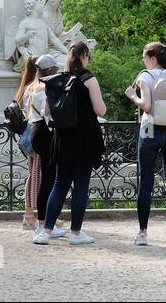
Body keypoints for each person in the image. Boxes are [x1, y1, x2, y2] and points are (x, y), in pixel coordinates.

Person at [34, 42, 104, 246]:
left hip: (62, 138)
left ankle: (45, 231)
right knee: (80, 185)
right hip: (84, 138)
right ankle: (75, 233)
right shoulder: (88, 78)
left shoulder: (57, 79)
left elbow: (47, 111)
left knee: (59, 184)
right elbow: (100, 110)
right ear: (84, 55)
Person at [124, 41, 166, 246]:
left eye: (144, 57)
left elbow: (147, 105)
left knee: (146, 184)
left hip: (150, 129)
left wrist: (133, 96)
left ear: (152, 57)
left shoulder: (145, 76)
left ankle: (142, 233)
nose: (143, 60)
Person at [18, 54, 64, 236]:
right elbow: (49, 113)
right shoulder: (46, 88)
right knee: (48, 180)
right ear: (51, 70)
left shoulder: (31, 86)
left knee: (44, 178)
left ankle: (42, 222)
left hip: (34, 131)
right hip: (45, 133)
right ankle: (44, 225)